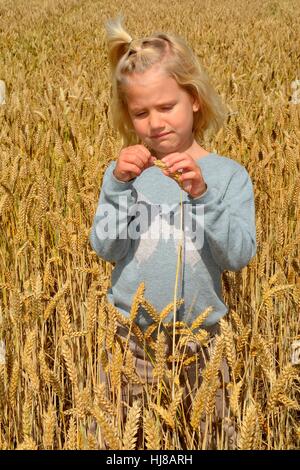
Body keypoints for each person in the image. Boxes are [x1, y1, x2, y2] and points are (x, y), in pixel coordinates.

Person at [89, 15, 256, 449]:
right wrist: (117, 188)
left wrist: (202, 195)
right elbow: (106, 247)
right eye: (141, 113)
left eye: (167, 107)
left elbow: (238, 255)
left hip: (203, 348)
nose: (155, 123)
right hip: (133, 344)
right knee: (123, 444)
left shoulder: (227, 175)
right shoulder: (125, 173)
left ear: (195, 99)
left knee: (208, 440)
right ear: (128, 114)